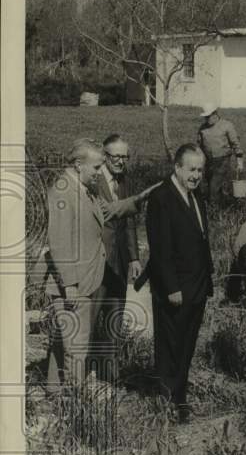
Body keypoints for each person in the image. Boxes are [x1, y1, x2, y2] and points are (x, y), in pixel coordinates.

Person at [35, 139, 160, 396]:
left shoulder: (84, 188)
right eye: (95, 167)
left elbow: (110, 211)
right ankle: (74, 402)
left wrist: (139, 198)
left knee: (64, 340)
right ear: (79, 165)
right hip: (73, 281)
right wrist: (69, 284)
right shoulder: (61, 191)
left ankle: (53, 390)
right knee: (77, 347)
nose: (98, 172)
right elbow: (58, 243)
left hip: (86, 277)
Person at [140, 144, 214, 422]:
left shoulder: (195, 197)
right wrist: (171, 287)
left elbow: (200, 239)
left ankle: (179, 396)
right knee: (170, 343)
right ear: (178, 167)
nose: (196, 175)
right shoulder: (162, 198)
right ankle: (168, 400)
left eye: (200, 170)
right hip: (175, 289)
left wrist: (207, 280)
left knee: (187, 342)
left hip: (197, 286)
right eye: (192, 169)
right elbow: (161, 249)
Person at [93, 134, 143, 344]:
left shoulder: (124, 181)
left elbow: (129, 221)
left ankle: (110, 374)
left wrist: (134, 258)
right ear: (105, 156)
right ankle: (83, 372)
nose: (121, 161)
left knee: (115, 320)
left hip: (120, 263)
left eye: (125, 157)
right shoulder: (92, 180)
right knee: (91, 318)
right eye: (116, 157)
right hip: (97, 262)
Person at [196, 104, 244, 204]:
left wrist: (239, 161)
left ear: (215, 114)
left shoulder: (227, 125)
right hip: (208, 161)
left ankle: (213, 211)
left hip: (222, 160)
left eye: (208, 116)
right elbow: (199, 145)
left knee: (214, 187)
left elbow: (235, 143)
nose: (207, 119)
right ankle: (223, 206)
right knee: (210, 185)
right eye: (205, 117)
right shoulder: (202, 129)